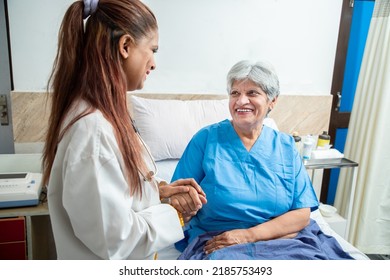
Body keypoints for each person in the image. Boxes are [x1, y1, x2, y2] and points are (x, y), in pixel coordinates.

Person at [42, 0, 205, 260]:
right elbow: (114, 237)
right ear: (126, 46)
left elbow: (115, 195)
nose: (154, 63)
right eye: (152, 49)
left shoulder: (105, 116)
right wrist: (174, 213)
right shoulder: (92, 131)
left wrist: (157, 192)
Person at [171, 60, 353, 260]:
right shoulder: (205, 140)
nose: (241, 101)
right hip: (220, 241)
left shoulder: (285, 146)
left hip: (281, 241)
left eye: (252, 93)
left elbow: (302, 214)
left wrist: (249, 235)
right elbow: (176, 198)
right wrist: (183, 206)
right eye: (235, 93)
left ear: (272, 101)